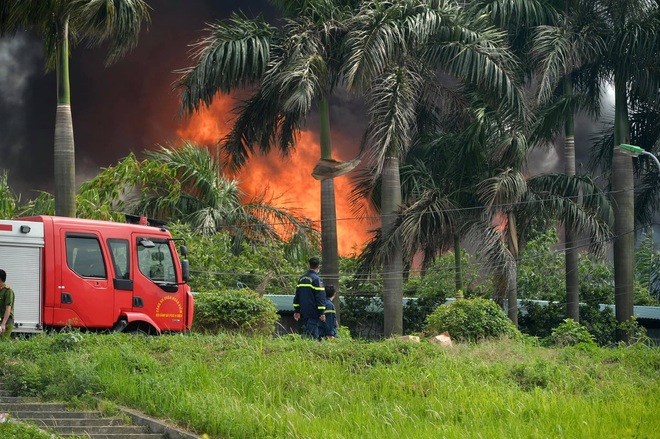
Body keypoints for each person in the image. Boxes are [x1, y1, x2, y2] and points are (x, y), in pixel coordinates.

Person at [293, 257, 326, 339]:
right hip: (313, 311)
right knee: (312, 334)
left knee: (306, 331)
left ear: (309, 265)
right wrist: (322, 312)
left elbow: (297, 295)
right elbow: (320, 297)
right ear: (318, 266)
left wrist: (297, 310)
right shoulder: (316, 279)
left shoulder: (301, 279)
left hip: (303, 311)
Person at [0, 269, 15, 340]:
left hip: (6, 321)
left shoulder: (8, 291)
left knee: (2, 343)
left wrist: (3, 324)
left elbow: (8, 308)